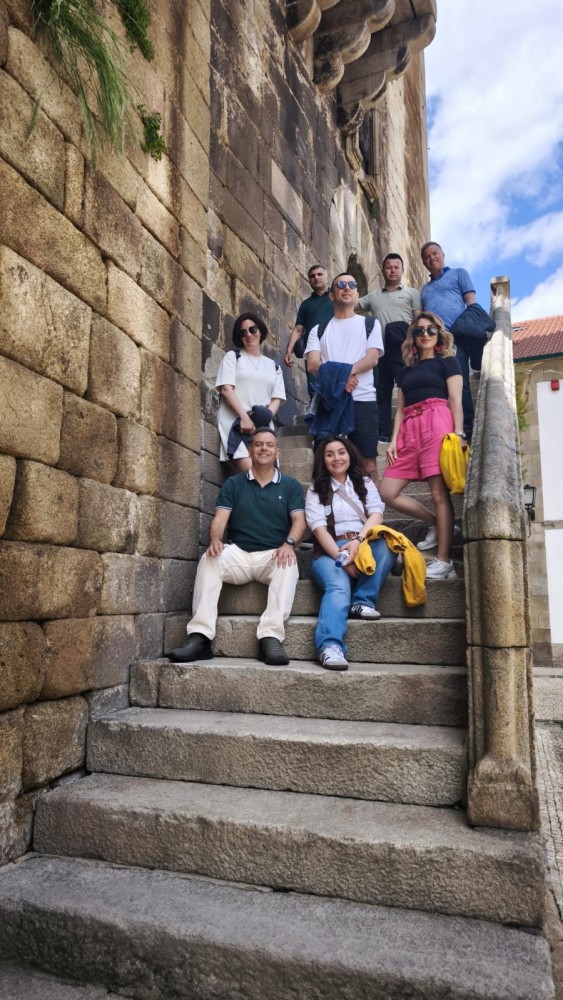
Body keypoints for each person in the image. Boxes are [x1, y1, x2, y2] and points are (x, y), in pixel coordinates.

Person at [168, 429, 306, 666]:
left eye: (269, 445)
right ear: (250, 450)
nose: (264, 448)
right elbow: (219, 520)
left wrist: (289, 544)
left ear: (277, 452)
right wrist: (215, 540)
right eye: (259, 444)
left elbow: (300, 521)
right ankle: (200, 637)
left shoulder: (290, 486)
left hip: (272, 555)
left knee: (288, 562)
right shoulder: (234, 484)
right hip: (239, 553)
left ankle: (271, 638)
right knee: (210, 558)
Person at [378, 312, 465, 581]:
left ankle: (444, 561)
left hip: (436, 423)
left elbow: (455, 400)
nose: (425, 334)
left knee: (438, 493)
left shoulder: (448, 362)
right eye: (419, 331)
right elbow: (400, 409)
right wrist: (393, 440)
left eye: (431, 330)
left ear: (439, 334)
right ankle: (436, 523)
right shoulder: (405, 371)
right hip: (410, 429)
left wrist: (458, 433)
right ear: (413, 338)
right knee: (387, 491)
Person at [305, 436, 397, 670]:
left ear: (349, 455)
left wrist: (357, 542)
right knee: (338, 587)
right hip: (329, 551)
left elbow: (376, 515)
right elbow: (319, 529)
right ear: (322, 460)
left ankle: (363, 600)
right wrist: (341, 558)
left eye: (341, 452)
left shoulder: (364, 483)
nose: (336, 458)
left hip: (363, 541)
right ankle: (329, 646)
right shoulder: (315, 490)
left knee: (388, 544)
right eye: (329, 454)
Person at [305, 273, 384, 482]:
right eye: (341, 284)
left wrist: (342, 376)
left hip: (362, 400)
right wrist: (342, 380)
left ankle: (371, 505)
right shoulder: (318, 330)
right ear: (331, 295)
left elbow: (372, 358)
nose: (347, 287)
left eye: (352, 284)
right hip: (330, 403)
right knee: (326, 467)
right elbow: (313, 365)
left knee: (368, 466)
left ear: (357, 294)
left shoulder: (370, 324)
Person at [356, 253, 421, 443]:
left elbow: (418, 319)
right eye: (388, 267)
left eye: (396, 267)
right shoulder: (373, 296)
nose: (392, 270)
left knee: (407, 387)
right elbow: (353, 305)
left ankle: (410, 429)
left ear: (402, 270)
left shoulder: (411, 293)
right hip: (379, 351)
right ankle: (383, 432)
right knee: (382, 392)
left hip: (402, 348)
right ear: (382, 271)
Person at [216, 313, 286, 472]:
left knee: (267, 474)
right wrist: (244, 418)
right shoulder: (233, 357)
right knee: (254, 471)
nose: (248, 334)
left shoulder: (274, 366)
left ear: (260, 331)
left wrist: (265, 416)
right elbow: (226, 389)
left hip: (262, 425)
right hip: (236, 422)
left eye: (252, 329)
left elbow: (277, 398)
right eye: (243, 332)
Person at [420, 242, 476, 438]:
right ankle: (445, 426)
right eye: (427, 257)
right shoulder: (424, 289)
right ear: (424, 263)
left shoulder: (459, 274)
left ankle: (467, 429)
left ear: (443, 254)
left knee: (460, 382)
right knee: (438, 384)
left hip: (455, 338)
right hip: (434, 341)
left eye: (435, 253)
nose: (432, 258)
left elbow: (471, 301)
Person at [284, 264, 333, 398]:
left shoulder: (336, 298)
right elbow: (298, 329)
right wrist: (289, 350)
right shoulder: (306, 304)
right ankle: (316, 410)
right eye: (312, 276)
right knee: (314, 387)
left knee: (336, 383)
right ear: (309, 281)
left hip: (334, 346)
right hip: (313, 348)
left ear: (327, 278)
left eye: (319, 274)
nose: (316, 278)